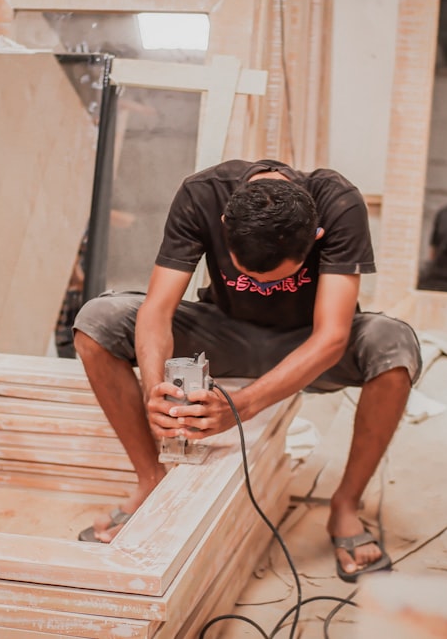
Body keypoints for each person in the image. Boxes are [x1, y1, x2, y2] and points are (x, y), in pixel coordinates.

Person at [72, 159, 422, 582]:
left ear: (316, 236)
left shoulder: (339, 204)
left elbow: (332, 337)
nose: (264, 285)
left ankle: (345, 506)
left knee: (393, 343)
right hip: (224, 331)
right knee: (98, 319)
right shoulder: (202, 195)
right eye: (248, 273)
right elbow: (156, 312)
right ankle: (150, 479)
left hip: (307, 342)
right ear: (224, 224)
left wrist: (242, 405)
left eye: (276, 277)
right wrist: (155, 388)